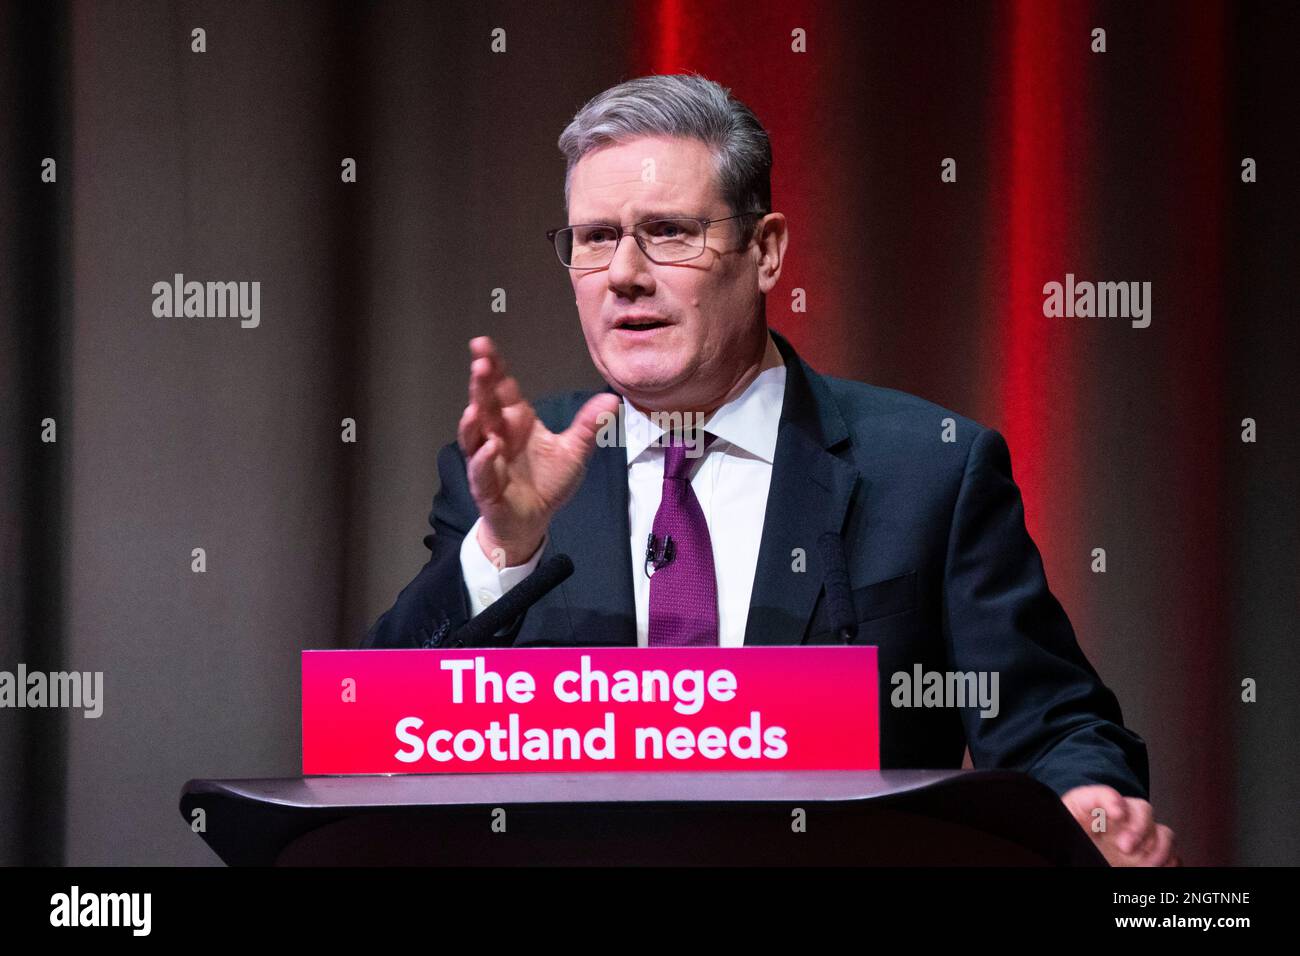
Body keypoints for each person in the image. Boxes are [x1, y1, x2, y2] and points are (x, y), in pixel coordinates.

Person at [364, 73, 1179, 867]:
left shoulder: (929, 469)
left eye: (671, 231)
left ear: (765, 251)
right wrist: (503, 550)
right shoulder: (510, 476)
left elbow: (1051, 724)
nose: (624, 273)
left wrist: (1093, 803)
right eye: (597, 238)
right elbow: (376, 733)